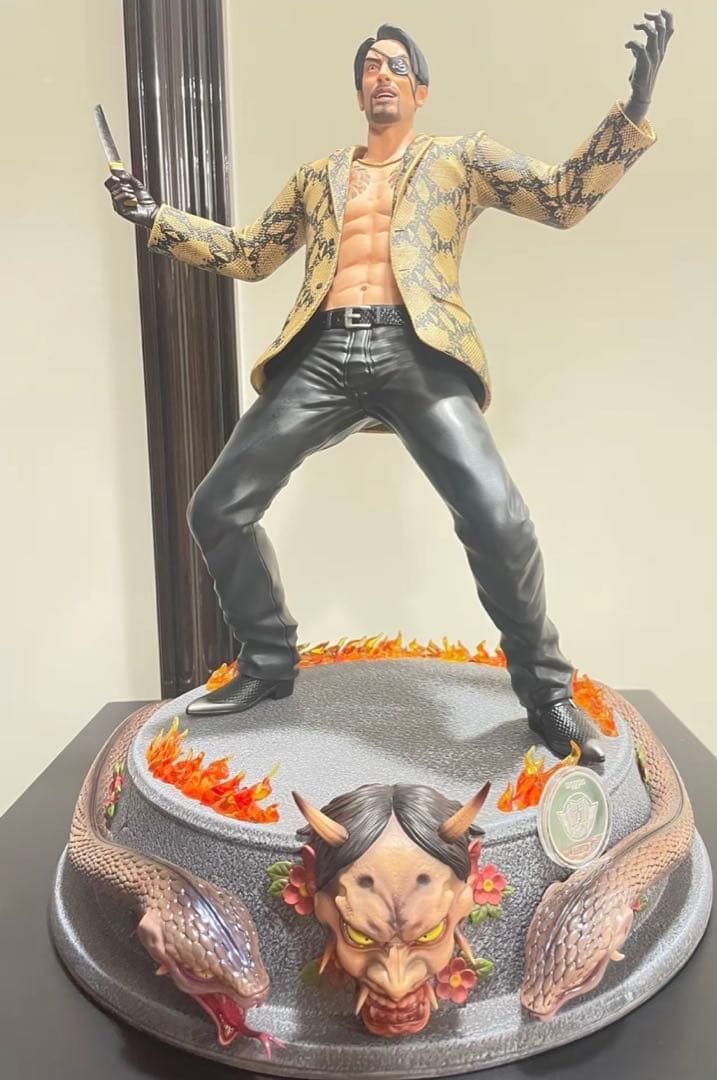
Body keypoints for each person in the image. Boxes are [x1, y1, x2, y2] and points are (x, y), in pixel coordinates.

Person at [105, 13, 674, 763]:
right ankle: (267, 661)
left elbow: (564, 198)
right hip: (322, 352)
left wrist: (632, 112)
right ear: (358, 91)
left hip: (419, 349)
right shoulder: (318, 176)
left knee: (499, 519)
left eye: (397, 65)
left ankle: (548, 695)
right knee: (217, 506)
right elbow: (250, 253)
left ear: (421, 90)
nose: (382, 74)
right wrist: (155, 218)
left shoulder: (459, 158)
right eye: (371, 66)